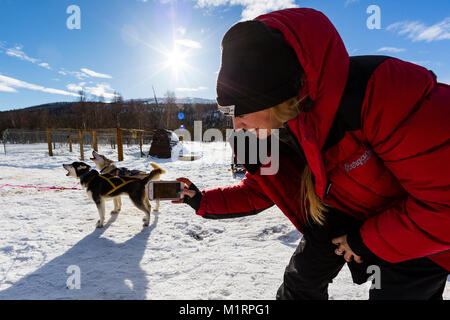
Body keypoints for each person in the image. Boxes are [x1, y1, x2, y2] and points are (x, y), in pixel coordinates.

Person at [172, 8, 450, 300]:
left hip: (420, 233)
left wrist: (365, 241)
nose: (235, 125)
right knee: (298, 286)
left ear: (273, 98)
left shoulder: (381, 93)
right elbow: (258, 190)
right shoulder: (270, 131)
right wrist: (201, 200)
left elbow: (444, 206)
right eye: (227, 113)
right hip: (337, 215)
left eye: (238, 111)